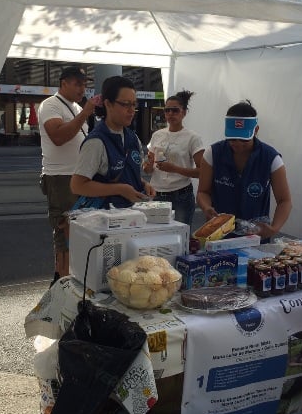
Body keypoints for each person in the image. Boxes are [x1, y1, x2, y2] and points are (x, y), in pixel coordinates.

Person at [196, 100, 292, 241]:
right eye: (232, 138)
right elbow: (203, 192)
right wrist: (206, 207)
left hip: (255, 236)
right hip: (219, 234)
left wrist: (274, 228)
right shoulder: (213, 153)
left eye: (244, 139)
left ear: (256, 130)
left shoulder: (271, 158)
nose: (238, 144)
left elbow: (284, 200)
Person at [38, 65, 96, 281]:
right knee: (65, 229)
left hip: (78, 176)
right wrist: (86, 113)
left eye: (84, 84)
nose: (82, 88)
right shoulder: (51, 104)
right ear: (63, 83)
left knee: (78, 229)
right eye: (78, 83)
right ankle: (62, 280)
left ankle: (69, 277)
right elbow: (58, 137)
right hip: (60, 177)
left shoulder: (76, 107)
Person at [71, 76, 155, 207]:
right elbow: (77, 186)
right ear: (108, 104)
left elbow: (128, 173)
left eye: (134, 104)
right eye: (125, 104)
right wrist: (120, 189)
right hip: (104, 215)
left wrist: (144, 184)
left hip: (133, 213)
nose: (131, 110)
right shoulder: (96, 142)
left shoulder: (132, 137)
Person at [143, 90, 204, 226]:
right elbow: (148, 168)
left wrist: (175, 169)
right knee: (156, 234)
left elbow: (202, 172)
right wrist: (147, 165)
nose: (170, 114)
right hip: (157, 194)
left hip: (181, 196)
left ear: (184, 112)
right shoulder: (157, 135)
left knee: (179, 235)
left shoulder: (192, 138)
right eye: (167, 110)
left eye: (175, 110)